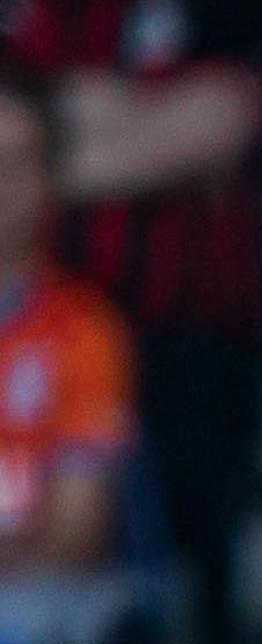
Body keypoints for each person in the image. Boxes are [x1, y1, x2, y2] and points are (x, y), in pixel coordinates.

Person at [5, 0, 262, 644]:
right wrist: (128, 121)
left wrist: (75, 119)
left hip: (186, 338)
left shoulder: (81, 336)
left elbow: (231, 113)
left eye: (18, 163)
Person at [0, 62, 129, 578]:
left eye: (14, 163)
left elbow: (75, 539)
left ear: (49, 181)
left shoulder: (84, 330)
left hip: (29, 628)